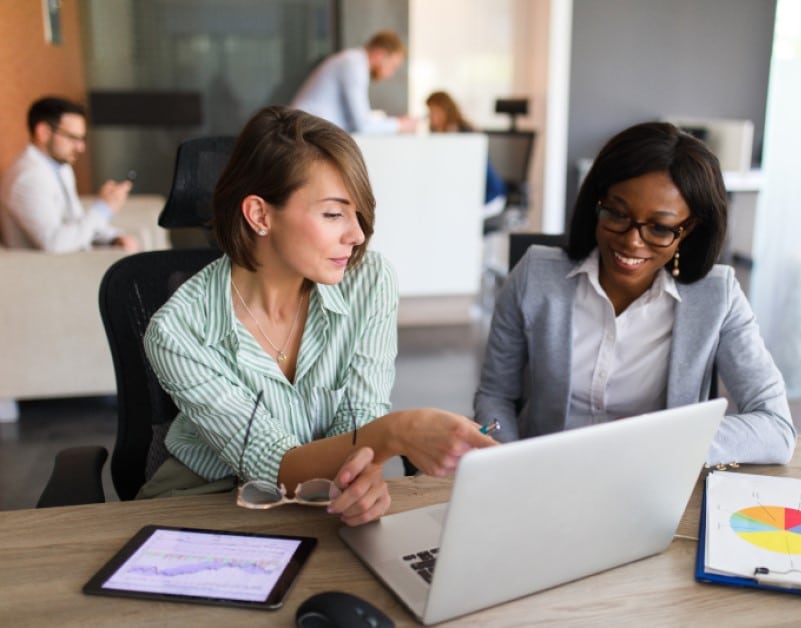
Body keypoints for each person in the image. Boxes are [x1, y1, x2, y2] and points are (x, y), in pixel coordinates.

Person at [141, 106, 494, 525]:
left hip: (318, 498)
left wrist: (363, 477)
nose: (357, 234)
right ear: (259, 215)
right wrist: (396, 433)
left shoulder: (369, 281)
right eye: (333, 214)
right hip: (203, 505)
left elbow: (361, 418)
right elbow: (269, 464)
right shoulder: (178, 330)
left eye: (357, 212)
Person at [474, 121, 796, 467]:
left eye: (659, 228)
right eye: (617, 213)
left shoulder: (718, 297)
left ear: (689, 230)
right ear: (597, 203)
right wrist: (506, 463)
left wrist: (659, 443)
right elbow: (496, 395)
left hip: (652, 481)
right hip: (544, 477)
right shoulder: (535, 275)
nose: (631, 241)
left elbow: (776, 427)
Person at [0, 96, 138, 253]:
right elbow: (55, 245)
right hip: (47, 271)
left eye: (82, 139)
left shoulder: (60, 167)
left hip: (73, 261)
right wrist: (103, 207)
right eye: (72, 138)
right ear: (44, 132)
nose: (81, 148)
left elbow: (76, 222)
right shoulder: (27, 179)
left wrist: (114, 238)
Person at [290, 30, 416, 134]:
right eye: (393, 66)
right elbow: (362, 125)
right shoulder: (354, 65)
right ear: (379, 54)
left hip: (308, 131)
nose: (390, 74)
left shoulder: (353, 61)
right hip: (305, 133)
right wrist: (400, 125)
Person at [425, 90, 507, 217]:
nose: (430, 117)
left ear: (444, 110)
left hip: (489, 196)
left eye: (433, 112)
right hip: (469, 196)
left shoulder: (465, 136)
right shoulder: (441, 136)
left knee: (456, 216)